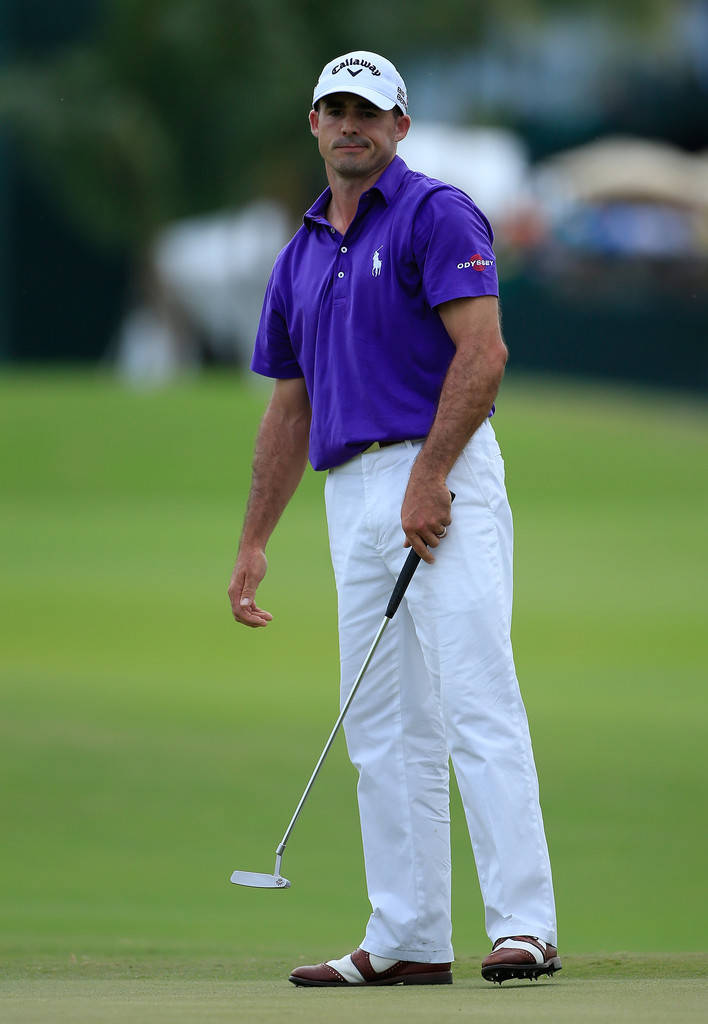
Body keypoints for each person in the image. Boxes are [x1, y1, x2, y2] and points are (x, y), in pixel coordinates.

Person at [228, 49, 560, 988]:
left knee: (474, 697)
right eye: (335, 109)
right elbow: (288, 410)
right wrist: (255, 539)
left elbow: (483, 353)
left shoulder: (435, 213)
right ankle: (409, 935)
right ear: (314, 124)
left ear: (400, 126)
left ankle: (525, 924)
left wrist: (431, 473)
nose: (350, 125)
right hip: (349, 494)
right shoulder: (298, 255)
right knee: (380, 722)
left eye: (368, 112)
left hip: (443, 479)